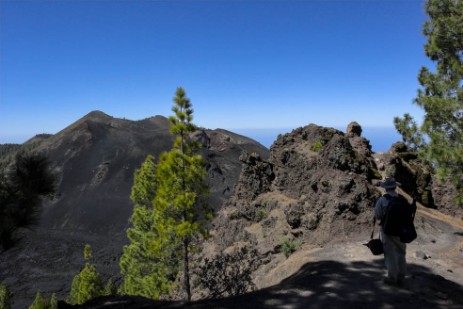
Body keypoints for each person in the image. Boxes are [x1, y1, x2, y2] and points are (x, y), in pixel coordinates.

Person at [375, 177, 406, 286]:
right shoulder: (402, 199)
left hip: (387, 230)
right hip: (402, 231)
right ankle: (401, 277)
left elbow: (378, 216)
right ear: (395, 186)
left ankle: (392, 278)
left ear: (385, 189)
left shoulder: (382, 200)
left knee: (390, 254)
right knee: (401, 253)